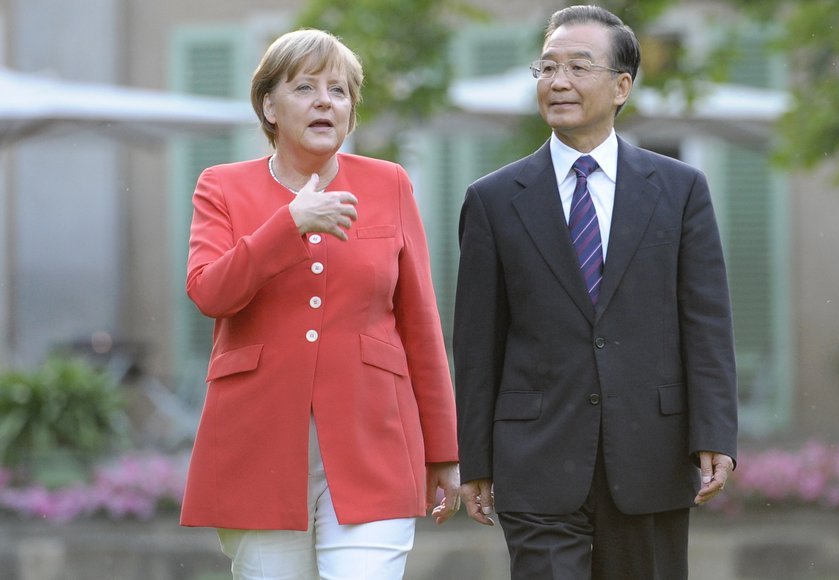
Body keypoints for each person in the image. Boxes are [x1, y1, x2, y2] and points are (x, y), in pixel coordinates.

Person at [453, 5, 738, 579]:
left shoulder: (680, 189)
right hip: (536, 458)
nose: (558, 81)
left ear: (621, 87)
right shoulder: (493, 200)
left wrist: (715, 434)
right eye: (547, 67)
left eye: (578, 67)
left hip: (651, 452)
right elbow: (477, 342)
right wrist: (475, 459)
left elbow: (706, 322)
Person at [179, 28, 460, 579]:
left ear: (351, 110)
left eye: (339, 90)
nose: (325, 101)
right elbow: (210, 292)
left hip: (374, 438)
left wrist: (443, 450)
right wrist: (288, 224)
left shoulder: (390, 183)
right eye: (305, 87)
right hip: (255, 445)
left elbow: (421, 324)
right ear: (269, 106)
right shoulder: (221, 186)